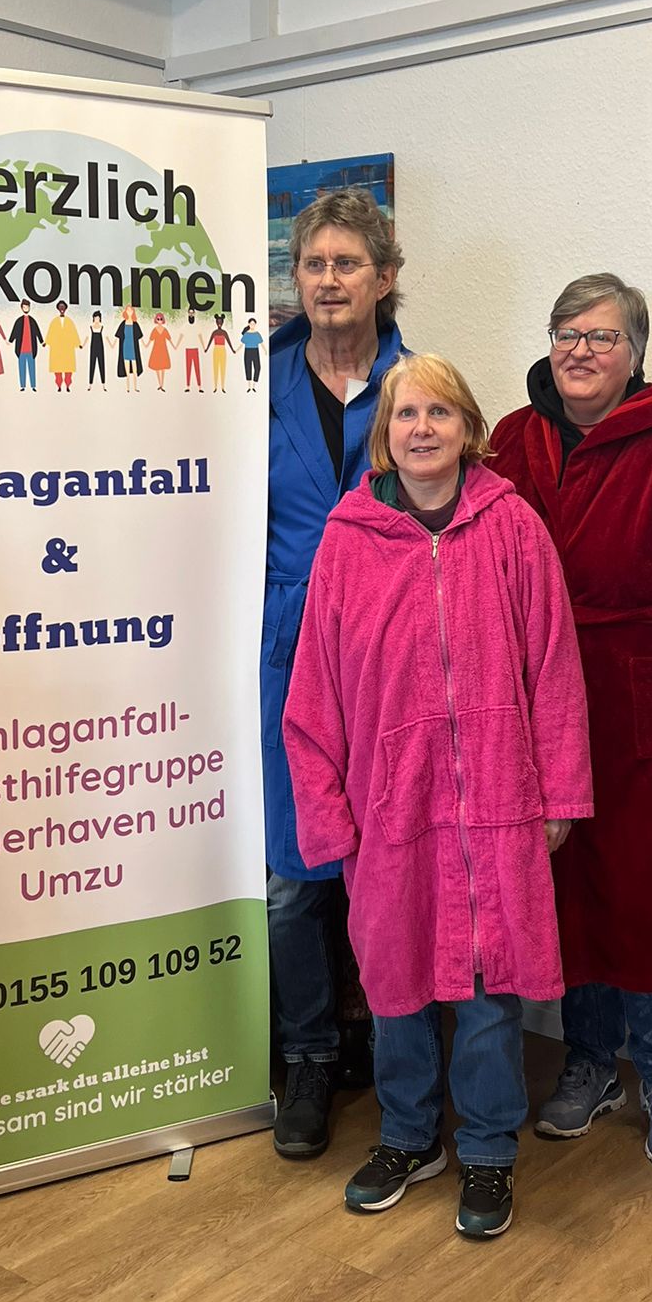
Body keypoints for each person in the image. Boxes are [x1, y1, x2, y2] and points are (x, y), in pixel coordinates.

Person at [284, 356, 591, 1238]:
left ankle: (488, 1149)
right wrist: (329, 817)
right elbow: (314, 695)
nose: (423, 429)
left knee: (490, 989)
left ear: (468, 429)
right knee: (395, 986)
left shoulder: (514, 528)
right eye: (406, 414)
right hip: (390, 808)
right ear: (386, 435)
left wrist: (559, 792)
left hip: (497, 802)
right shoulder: (347, 543)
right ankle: (408, 1137)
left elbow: (555, 670)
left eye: (440, 413)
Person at [489, 273, 652, 1170]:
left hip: (638, 695)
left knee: (644, 892)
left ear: (635, 354)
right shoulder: (512, 439)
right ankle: (590, 1061)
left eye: (601, 336)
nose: (580, 350)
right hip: (537, 698)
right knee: (567, 888)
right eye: (566, 332)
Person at [264, 187, 407, 1159]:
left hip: (391, 659)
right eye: (314, 263)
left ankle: (396, 1054)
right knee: (292, 877)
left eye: (347, 263)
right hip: (284, 650)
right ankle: (309, 1053)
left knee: (389, 865)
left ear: (384, 278)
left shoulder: (417, 386)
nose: (328, 279)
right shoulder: (254, 384)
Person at [45, 302, 82, 392]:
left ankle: (68, 385)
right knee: (57, 370)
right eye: (60, 307)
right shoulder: (54, 322)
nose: (62, 309)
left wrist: (78, 344)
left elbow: (74, 333)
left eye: (63, 307)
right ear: (58, 309)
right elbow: (50, 333)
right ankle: (59, 385)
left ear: (65, 309)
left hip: (67, 349)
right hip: (57, 349)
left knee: (68, 370)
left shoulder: (69, 321)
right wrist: (46, 342)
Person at [9, 300, 43, 391]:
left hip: (31, 349)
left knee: (32, 368)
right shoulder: (19, 321)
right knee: (22, 368)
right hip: (21, 349)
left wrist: (41, 341)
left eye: (27, 307)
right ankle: (22, 386)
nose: (26, 308)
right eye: (24, 307)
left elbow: (37, 331)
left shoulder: (32, 321)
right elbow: (15, 331)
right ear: (22, 308)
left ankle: (33, 386)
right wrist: (10, 340)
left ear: (29, 308)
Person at [116, 304, 144, 390]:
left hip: (133, 350)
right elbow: (118, 336)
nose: (129, 312)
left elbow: (140, 337)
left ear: (133, 312)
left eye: (131, 310)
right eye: (128, 310)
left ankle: (135, 388)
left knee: (135, 371)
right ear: (125, 312)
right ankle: (128, 388)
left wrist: (146, 344)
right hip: (125, 348)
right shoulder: (123, 324)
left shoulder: (135, 324)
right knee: (127, 372)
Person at [205, 311, 233, 391]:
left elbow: (228, 341)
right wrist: (207, 348)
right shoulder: (214, 332)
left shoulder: (224, 332)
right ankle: (215, 387)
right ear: (216, 323)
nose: (219, 323)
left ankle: (223, 387)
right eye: (218, 322)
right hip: (216, 349)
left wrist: (232, 349)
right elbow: (210, 341)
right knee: (215, 367)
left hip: (222, 350)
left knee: (223, 367)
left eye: (221, 322)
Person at [146, 311, 174, 391]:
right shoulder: (154, 330)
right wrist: (145, 345)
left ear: (163, 320)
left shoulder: (165, 330)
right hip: (156, 349)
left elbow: (169, 339)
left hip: (163, 349)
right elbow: (150, 340)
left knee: (163, 368)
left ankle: (162, 384)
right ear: (156, 320)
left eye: (161, 319)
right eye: (158, 319)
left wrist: (174, 346)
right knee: (157, 368)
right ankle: (160, 384)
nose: (159, 320)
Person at [241, 317, 265, 392]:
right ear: (249, 324)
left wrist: (265, 350)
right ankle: (249, 386)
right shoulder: (246, 334)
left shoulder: (257, 334)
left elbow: (261, 343)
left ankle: (254, 386)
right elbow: (241, 344)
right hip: (247, 351)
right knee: (248, 368)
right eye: (251, 324)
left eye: (253, 324)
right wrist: (235, 350)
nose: (252, 325)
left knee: (257, 367)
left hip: (255, 351)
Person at [183, 309, 204, 391]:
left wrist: (204, 346)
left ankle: (200, 387)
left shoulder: (197, 326)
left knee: (197, 368)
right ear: (188, 314)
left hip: (195, 349)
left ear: (194, 314)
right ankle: (188, 386)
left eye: (192, 313)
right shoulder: (185, 326)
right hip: (188, 349)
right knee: (188, 368)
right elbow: (181, 335)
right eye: (190, 313)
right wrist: (176, 345)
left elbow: (200, 336)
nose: (191, 314)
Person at [87, 310, 107, 390]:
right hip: (93, 348)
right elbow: (87, 337)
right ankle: (90, 384)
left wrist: (112, 344)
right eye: (95, 318)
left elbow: (106, 337)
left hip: (100, 348)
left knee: (102, 365)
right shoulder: (91, 327)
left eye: (98, 318)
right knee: (92, 365)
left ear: (100, 319)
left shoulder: (102, 327)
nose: (97, 320)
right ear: (93, 318)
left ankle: (103, 385)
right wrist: (82, 345)